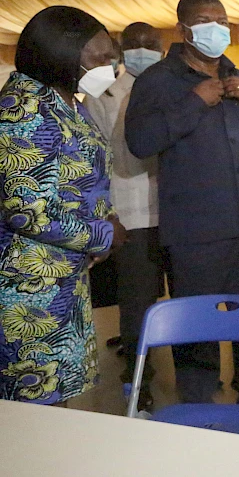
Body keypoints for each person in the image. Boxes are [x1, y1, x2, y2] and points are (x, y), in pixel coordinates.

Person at [125, 0, 239, 404]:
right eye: (204, 20)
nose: (215, 28)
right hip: (195, 233)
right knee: (197, 327)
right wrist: (194, 102)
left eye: (222, 20)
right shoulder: (157, 81)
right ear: (183, 29)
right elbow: (140, 142)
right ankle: (197, 404)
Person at [0, 6, 127, 404]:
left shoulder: (66, 98)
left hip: (62, 275)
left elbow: (75, 177)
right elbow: (26, 209)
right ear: (61, 51)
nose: (110, 65)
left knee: (56, 399)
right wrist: (104, 233)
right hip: (27, 288)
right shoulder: (24, 108)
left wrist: (102, 218)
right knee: (35, 407)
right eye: (101, 56)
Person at [83, 22, 167, 410]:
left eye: (150, 44)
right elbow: (96, 159)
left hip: (179, 208)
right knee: (137, 302)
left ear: (163, 47)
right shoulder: (102, 94)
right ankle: (137, 379)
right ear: (121, 50)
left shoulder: (176, 85)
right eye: (133, 44)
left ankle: (194, 369)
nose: (142, 50)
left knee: (184, 296)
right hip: (133, 209)